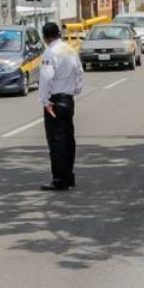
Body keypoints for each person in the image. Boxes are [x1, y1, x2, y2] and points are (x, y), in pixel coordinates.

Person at [38, 22, 84, 191]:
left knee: (56, 142)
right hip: (68, 99)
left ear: (45, 38)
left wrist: (45, 100)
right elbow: (79, 72)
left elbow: (46, 77)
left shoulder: (50, 52)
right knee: (68, 139)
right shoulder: (70, 49)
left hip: (55, 100)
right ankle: (69, 175)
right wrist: (75, 90)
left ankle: (59, 179)